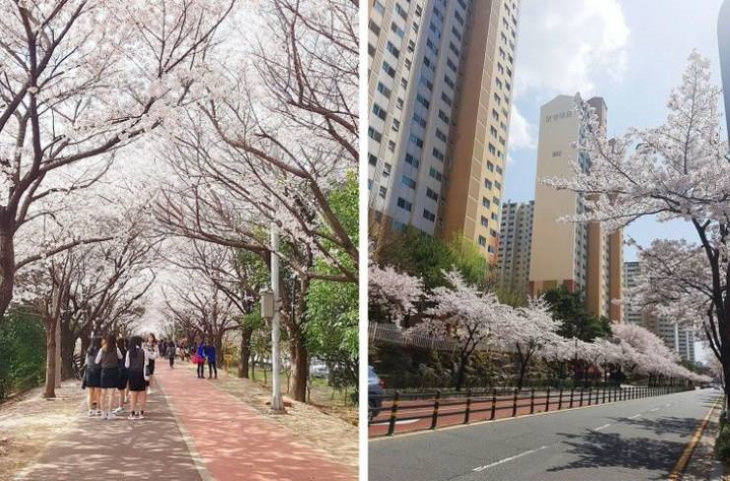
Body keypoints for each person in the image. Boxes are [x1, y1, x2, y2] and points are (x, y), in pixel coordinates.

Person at [95, 334, 123, 420]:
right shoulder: (116, 349)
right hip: (113, 371)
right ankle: (110, 413)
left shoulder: (102, 349)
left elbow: (96, 361)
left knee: (103, 394)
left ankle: (103, 413)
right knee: (111, 394)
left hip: (104, 371)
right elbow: (121, 357)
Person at [125, 335, 149, 420]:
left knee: (133, 395)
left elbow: (126, 365)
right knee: (142, 395)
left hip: (132, 374)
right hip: (141, 374)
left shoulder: (129, 352)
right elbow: (146, 363)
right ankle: (141, 413)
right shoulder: (143, 351)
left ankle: (132, 413)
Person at [83, 337, 102, 416]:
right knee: (98, 393)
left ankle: (90, 410)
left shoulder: (89, 351)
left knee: (90, 393)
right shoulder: (101, 351)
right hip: (98, 372)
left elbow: (86, 362)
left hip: (89, 372)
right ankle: (98, 409)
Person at [114, 336, 129, 414]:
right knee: (122, 390)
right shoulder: (126, 351)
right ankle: (121, 406)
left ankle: (120, 407)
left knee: (120, 391)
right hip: (126, 371)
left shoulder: (116, 351)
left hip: (119, 372)